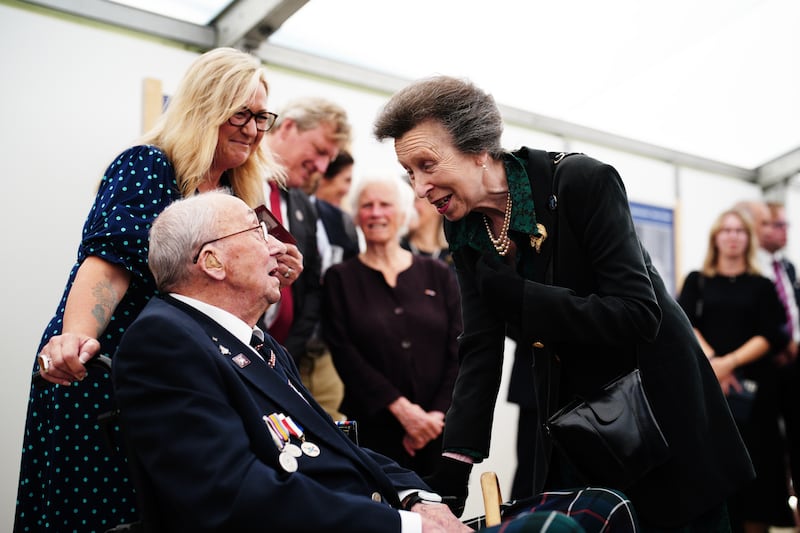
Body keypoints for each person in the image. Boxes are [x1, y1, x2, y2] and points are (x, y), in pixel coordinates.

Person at [373, 75, 755, 531]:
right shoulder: (463, 228)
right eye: (409, 172)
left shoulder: (582, 180)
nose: (418, 188)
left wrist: (522, 299)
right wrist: (452, 475)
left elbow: (638, 314)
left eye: (426, 165)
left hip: (659, 415)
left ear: (478, 149)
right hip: (582, 424)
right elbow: (480, 350)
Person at [112, 190, 619, 533]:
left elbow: (332, 444)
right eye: (257, 231)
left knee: (602, 506)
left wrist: (418, 497)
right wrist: (407, 526)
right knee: (576, 522)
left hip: (377, 512)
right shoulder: (164, 340)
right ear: (213, 261)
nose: (278, 245)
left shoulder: (252, 343)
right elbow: (232, 498)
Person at [14, 47, 300, 533]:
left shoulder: (234, 196)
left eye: (262, 117)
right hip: (104, 376)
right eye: (241, 114)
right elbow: (107, 265)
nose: (253, 130)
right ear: (205, 108)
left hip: (183, 381)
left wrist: (271, 265)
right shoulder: (149, 166)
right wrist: (76, 340)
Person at [323, 174, 461, 476]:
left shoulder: (437, 273)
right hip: (374, 430)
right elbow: (345, 355)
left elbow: (458, 346)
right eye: (367, 206)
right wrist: (404, 412)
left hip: (440, 430)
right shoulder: (340, 278)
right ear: (357, 216)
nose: (375, 213)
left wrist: (433, 417)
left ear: (402, 212)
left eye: (385, 205)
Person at [677, 207, 793, 532]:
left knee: (760, 482)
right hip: (710, 396)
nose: (732, 236)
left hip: (757, 400)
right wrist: (715, 363)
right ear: (716, 237)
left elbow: (771, 334)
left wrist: (730, 363)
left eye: (739, 231)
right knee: (715, 480)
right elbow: (683, 323)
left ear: (748, 238)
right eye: (726, 230)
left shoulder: (762, 285)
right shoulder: (697, 281)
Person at [263, 97, 352, 420]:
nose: (323, 167)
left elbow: (311, 288)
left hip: (284, 358)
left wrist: (285, 352)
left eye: (329, 158)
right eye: (318, 150)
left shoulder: (303, 205)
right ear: (287, 127)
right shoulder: (235, 182)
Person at [401, 185, 453, 267]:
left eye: (415, 200)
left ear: (436, 205)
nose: (408, 208)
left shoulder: (456, 254)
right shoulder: (397, 251)